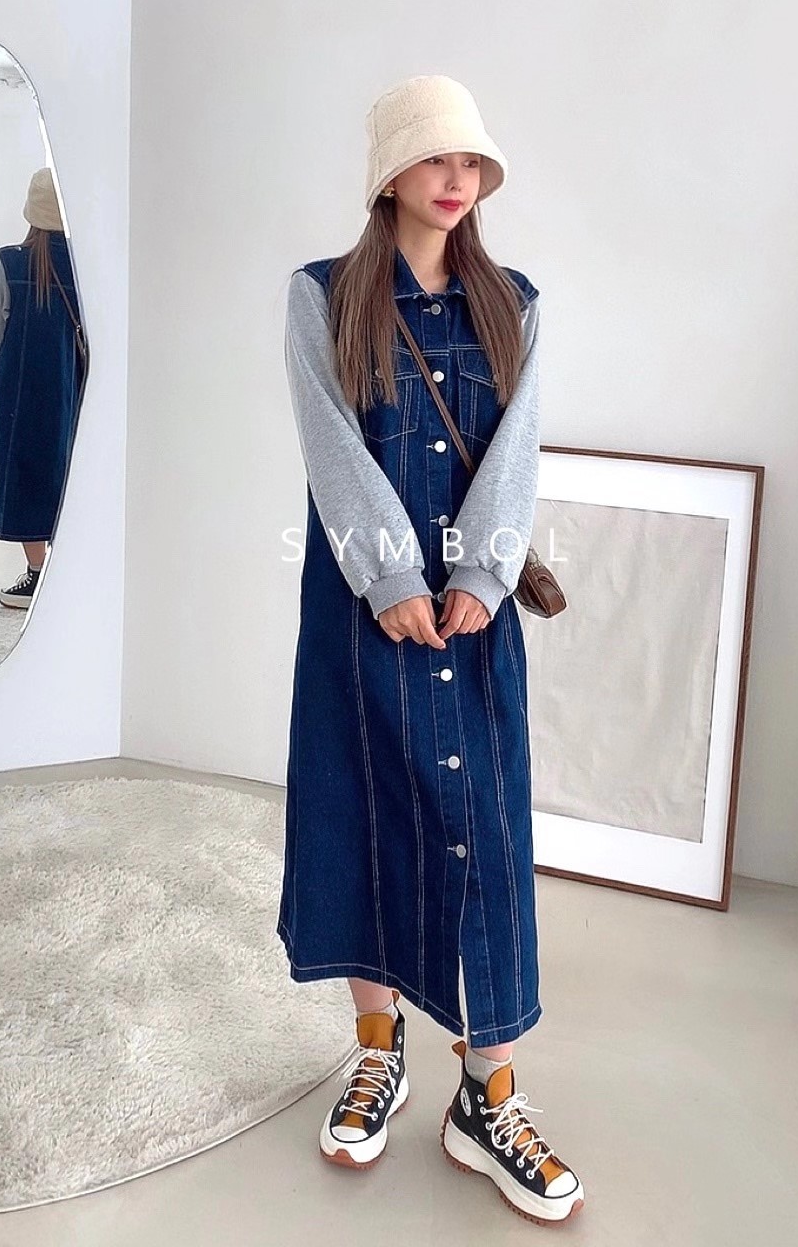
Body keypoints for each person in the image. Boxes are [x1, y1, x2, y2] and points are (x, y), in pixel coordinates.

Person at [279, 74, 584, 1224]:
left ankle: (487, 1097)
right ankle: (378, 1049)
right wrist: (391, 576)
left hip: (474, 616)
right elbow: (328, 439)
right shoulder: (322, 296)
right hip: (362, 610)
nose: (458, 180)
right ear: (390, 172)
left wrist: (483, 576)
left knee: (487, 843)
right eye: (436, 158)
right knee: (363, 820)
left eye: (473, 164)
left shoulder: (517, 301)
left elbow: (518, 448)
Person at [0, 166, 86, 608]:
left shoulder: (10, 261)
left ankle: (37, 573)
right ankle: (68, 569)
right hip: (76, 387)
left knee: (25, 471)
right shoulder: (86, 265)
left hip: (22, 387)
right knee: (71, 470)